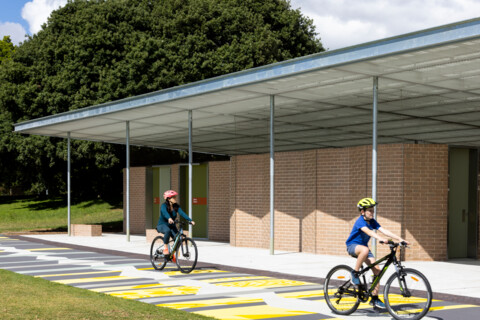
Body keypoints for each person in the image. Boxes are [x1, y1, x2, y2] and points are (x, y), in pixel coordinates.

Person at [346, 197, 409, 308]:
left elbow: (384, 231)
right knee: (365, 250)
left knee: (377, 271)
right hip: (352, 246)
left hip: (363, 249)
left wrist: (400, 239)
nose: (372, 212)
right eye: (370, 210)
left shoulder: (372, 221)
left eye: (373, 210)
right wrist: (379, 238)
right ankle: (354, 273)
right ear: (362, 212)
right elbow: (368, 231)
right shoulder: (360, 221)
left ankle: (374, 299)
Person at [156, 190, 195, 255]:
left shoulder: (176, 206)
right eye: (173, 197)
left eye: (175, 197)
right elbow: (164, 212)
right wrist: (169, 218)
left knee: (178, 240)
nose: (175, 198)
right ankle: (165, 248)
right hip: (162, 225)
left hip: (171, 225)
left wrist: (190, 220)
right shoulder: (163, 206)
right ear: (168, 198)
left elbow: (182, 213)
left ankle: (172, 255)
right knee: (167, 231)